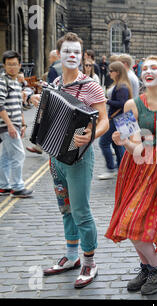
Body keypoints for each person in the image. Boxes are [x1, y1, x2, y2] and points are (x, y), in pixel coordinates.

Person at [105, 55, 157, 295]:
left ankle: (152, 267)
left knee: (138, 222)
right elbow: (134, 147)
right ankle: (152, 267)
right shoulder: (132, 104)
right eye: (144, 68)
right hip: (136, 168)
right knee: (130, 222)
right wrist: (124, 141)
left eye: (154, 68)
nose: (147, 71)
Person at [40, 32, 109, 289]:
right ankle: (71, 257)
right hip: (55, 156)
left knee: (81, 211)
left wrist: (92, 134)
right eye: (67, 51)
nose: (72, 56)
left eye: (76, 52)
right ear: (58, 55)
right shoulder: (56, 82)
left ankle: (89, 261)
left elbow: (104, 120)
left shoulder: (90, 85)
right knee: (65, 209)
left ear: (81, 56)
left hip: (79, 158)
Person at [0, 50, 33, 198]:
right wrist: (10, 125)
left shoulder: (15, 81)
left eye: (14, 64)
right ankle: (17, 187)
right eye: (9, 64)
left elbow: (19, 106)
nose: (12, 67)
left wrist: (23, 124)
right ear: (4, 65)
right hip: (7, 126)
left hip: (15, 125)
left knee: (7, 156)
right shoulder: (2, 81)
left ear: (19, 65)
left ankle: (4, 186)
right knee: (18, 154)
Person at [98, 61, 132, 180]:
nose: (109, 73)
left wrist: (106, 101)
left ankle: (111, 168)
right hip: (120, 118)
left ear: (117, 72)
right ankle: (121, 168)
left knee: (103, 143)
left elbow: (122, 104)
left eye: (111, 71)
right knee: (117, 144)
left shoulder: (122, 86)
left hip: (118, 119)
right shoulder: (120, 84)